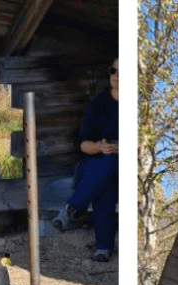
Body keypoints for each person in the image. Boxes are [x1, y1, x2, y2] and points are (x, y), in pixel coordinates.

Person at [51, 58, 118, 263]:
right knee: (104, 174)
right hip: (97, 165)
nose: (116, 75)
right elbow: (83, 144)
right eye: (113, 70)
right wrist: (99, 147)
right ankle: (103, 247)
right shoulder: (98, 104)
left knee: (108, 166)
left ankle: (71, 210)